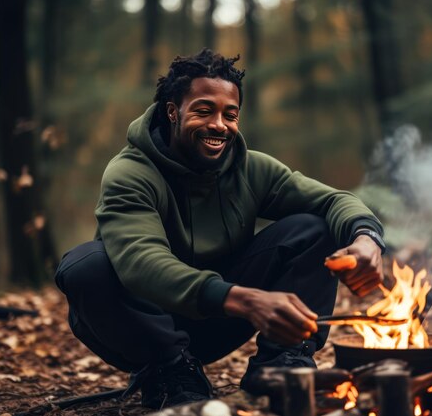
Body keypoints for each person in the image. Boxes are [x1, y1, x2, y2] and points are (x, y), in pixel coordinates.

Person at [55, 49, 386, 409]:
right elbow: (141, 263)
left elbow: (332, 200)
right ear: (172, 112)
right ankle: (171, 371)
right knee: (85, 266)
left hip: (220, 319)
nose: (219, 125)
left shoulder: (250, 169)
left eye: (230, 114)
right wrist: (245, 299)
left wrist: (366, 238)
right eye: (203, 110)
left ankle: (283, 365)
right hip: (145, 327)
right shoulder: (130, 174)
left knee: (314, 227)